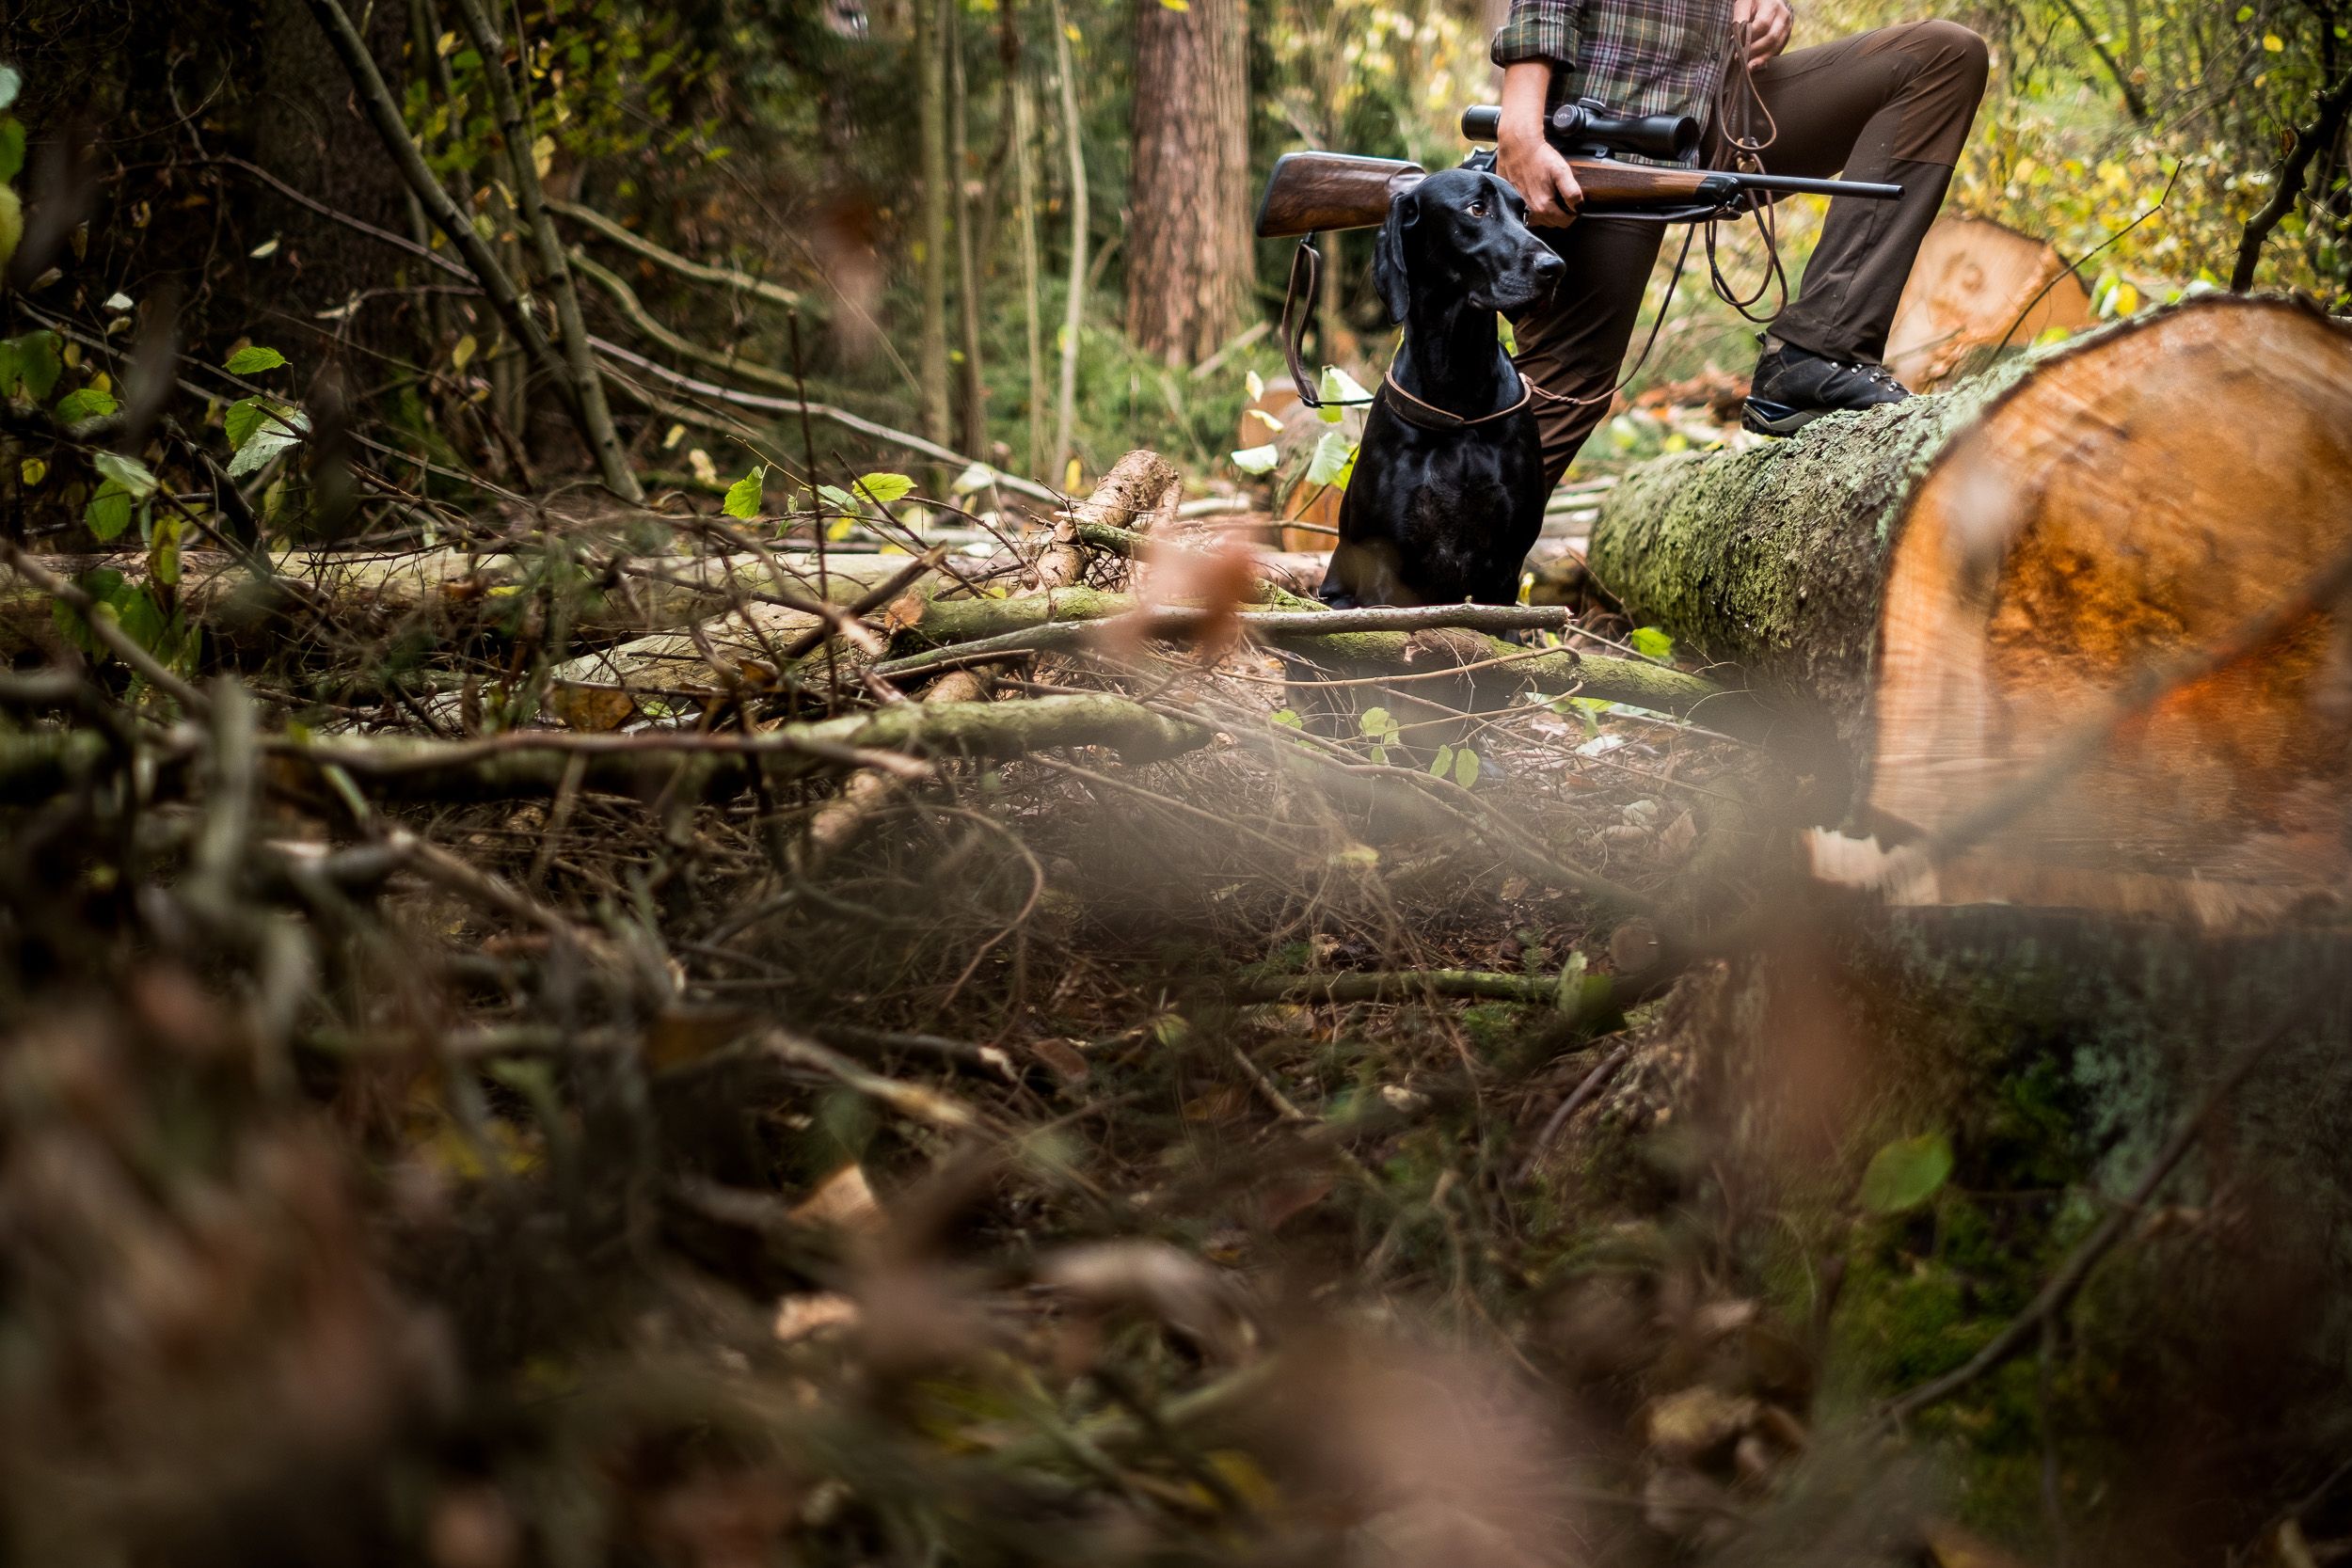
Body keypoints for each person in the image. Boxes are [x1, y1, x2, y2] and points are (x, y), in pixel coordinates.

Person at [1489, 0, 1989, 477]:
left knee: (1941, 58)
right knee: (1564, 397)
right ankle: (1433, 556)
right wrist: (1521, 131)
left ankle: (1818, 352)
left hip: (1717, 112)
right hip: (1600, 135)